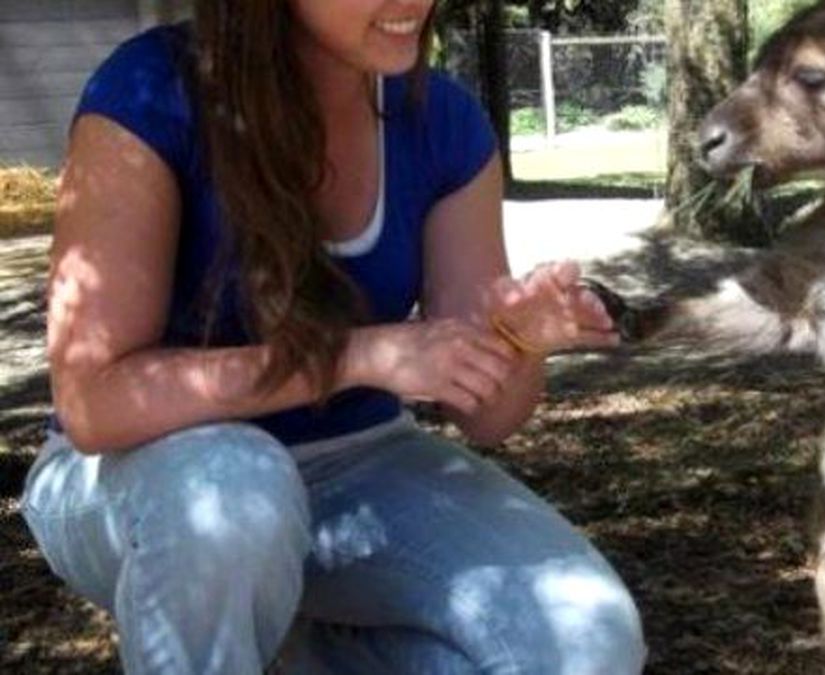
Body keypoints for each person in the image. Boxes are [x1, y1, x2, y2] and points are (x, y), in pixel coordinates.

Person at [18, 1, 646, 673]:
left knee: (585, 639)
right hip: (139, 475)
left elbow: (489, 417)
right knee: (234, 495)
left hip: (358, 462)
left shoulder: (445, 121)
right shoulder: (146, 94)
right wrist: (354, 355)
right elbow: (94, 404)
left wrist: (518, 343)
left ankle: (297, 643)